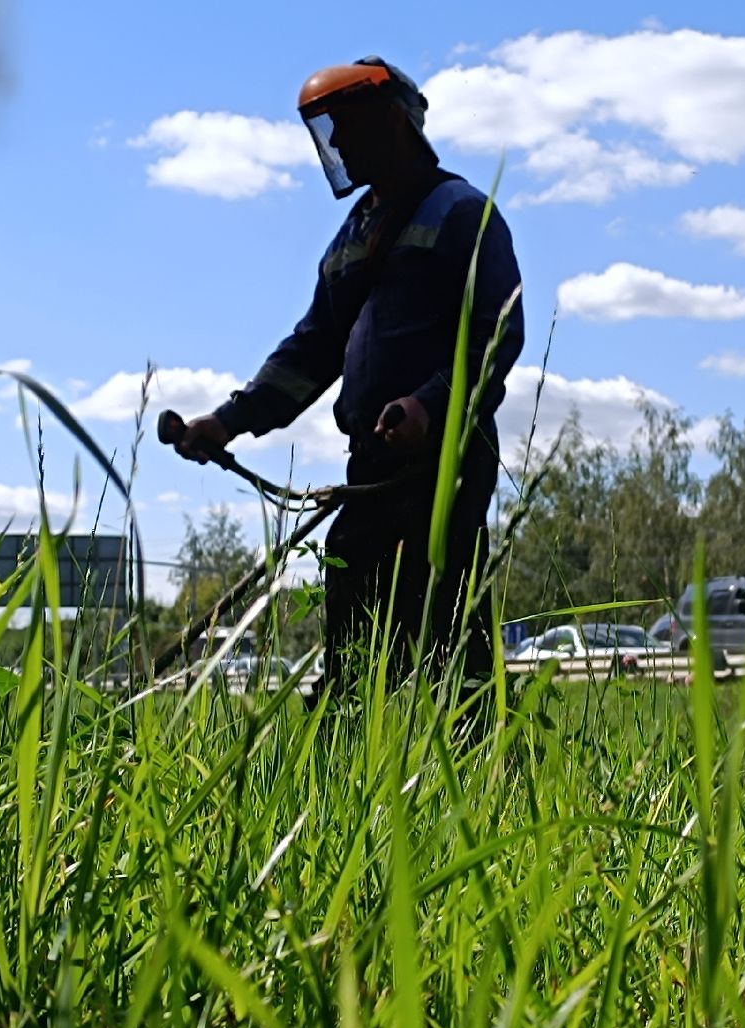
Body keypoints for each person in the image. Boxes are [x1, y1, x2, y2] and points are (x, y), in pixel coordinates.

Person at [175, 56, 523, 706]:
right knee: (355, 633)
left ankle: (477, 765)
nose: (333, 143)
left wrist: (428, 406)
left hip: (444, 457)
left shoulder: (460, 213)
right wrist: (227, 420)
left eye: (345, 125)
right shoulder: (351, 238)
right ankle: (349, 759)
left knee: (447, 631)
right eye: (326, 129)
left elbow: (496, 332)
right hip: (370, 463)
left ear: (392, 124)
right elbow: (312, 347)